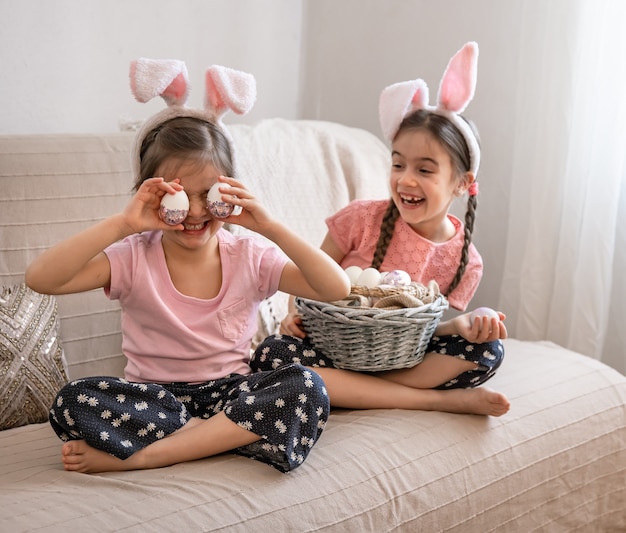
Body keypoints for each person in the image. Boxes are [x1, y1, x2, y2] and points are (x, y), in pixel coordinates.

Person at [24, 59, 350, 474]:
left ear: (229, 192)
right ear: (149, 193)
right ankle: (223, 437)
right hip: (155, 400)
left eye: (207, 194)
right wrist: (123, 223)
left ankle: (151, 455)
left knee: (305, 383)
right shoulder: (133, 255)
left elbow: (335, 288)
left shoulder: (248, 254)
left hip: (230, 394)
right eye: (177, 196)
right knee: (72, 401)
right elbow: (41, 279)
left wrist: (269, 225)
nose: (194, 212)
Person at [251, 42, 510, 417]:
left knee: (488, 351)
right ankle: (434, 401)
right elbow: (308, 277)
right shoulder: (360, 219)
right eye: (398, 164)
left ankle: (352, 392)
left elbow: (429, 330)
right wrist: (294, 314)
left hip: (402, 359)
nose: (405, 180)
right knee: (272, 357)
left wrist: (466, 325)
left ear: (461, 182)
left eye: (424, 169)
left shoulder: (465, 259)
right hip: (335, 346)